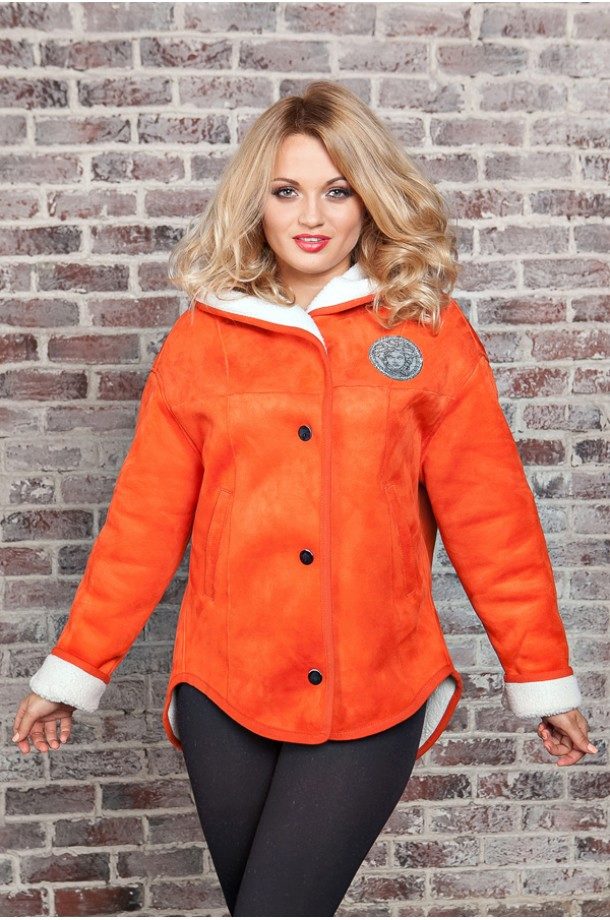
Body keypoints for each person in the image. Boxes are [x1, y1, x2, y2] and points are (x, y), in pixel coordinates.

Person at [13, 81, 596, 917]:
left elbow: (493, 520)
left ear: (369, 200)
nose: (311, 216)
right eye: (286, 191)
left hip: (376, 684)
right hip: (226, 690)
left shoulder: (428, 333)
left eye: (337, 190)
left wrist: (541, 675)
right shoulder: (201, 341)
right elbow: (143, 524)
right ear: (256, 202)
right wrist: (74, 671)